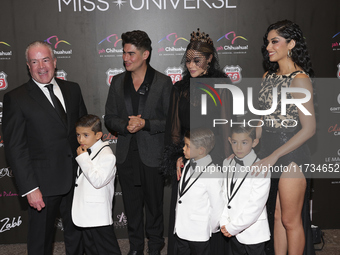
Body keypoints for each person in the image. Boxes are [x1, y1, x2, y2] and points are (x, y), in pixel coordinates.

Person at [2, 40, 87, 255]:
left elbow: (85, 132)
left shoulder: (73, 89)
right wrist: (31, 189)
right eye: (34, 61)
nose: (41, 66)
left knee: (77, 236)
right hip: (42, 185)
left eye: (46, 59)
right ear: (28, 66)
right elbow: (15, 149)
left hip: (76, 179)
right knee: (40, 242)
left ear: (55, 62)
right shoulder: (16, 98)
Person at [163, 28, 233, 255]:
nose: (191, 65)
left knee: (212, 211)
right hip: (187, 159)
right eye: (188, 60)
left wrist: (226, 163)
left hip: (215, 161)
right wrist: (176, 157)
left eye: (197, 60)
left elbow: (227, 127)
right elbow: (174, 130)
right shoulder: (179, 89)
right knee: (186, 212)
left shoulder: (222, 86)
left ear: (210, 59)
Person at [104, 30, 172, 255]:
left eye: (131, 54)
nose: (126, 58)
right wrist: (125, 126)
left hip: (152, 155)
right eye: (124, 53)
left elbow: (170, 121)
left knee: (154, 207)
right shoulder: (117, 81)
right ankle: (135, 248)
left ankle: (154, 246)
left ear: (146, 54)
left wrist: (146, 124)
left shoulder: (163, 82)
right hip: (126, 156)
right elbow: (110, 117)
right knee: (132, 208)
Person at [253, 20, 316, 255]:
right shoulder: (267, 76)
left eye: (274, 41)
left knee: (290, 220)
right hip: (269, 152)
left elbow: (309, 128)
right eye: (267, 42)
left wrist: (274, 156)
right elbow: (262, 118)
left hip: (291, 155)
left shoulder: (300, 79)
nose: (268, 46)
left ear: (291, 44)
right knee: (277, 217)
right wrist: (253, 145)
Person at [72, 114, 121, 255]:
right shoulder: (87, 151)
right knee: (91, 250)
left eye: (85, 135)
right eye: (78, 135)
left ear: (98, 135)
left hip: (98, 216)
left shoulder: (107, 155)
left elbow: (97, 181)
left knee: (108, 250)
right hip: (87, 213)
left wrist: (82, 159)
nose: (80, 139)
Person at [220, 126, 270, 255]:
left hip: (253, 232)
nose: (238, 147)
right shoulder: (227, 162)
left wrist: (233, 227)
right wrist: (225, 222)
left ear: (254, 142)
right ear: (230, 141)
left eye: (244, 143)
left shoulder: (261, 168)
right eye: (235, 142)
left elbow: (256, 205)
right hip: (231, 229)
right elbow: (225, 195)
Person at [174, 128, 224, 255]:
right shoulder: (187, 164)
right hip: (181, 228)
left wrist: (210, 228)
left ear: (201, 150)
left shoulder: (213, 173)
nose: (183, 149)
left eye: (187, 146)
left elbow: (217, 206)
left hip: (199, 232)